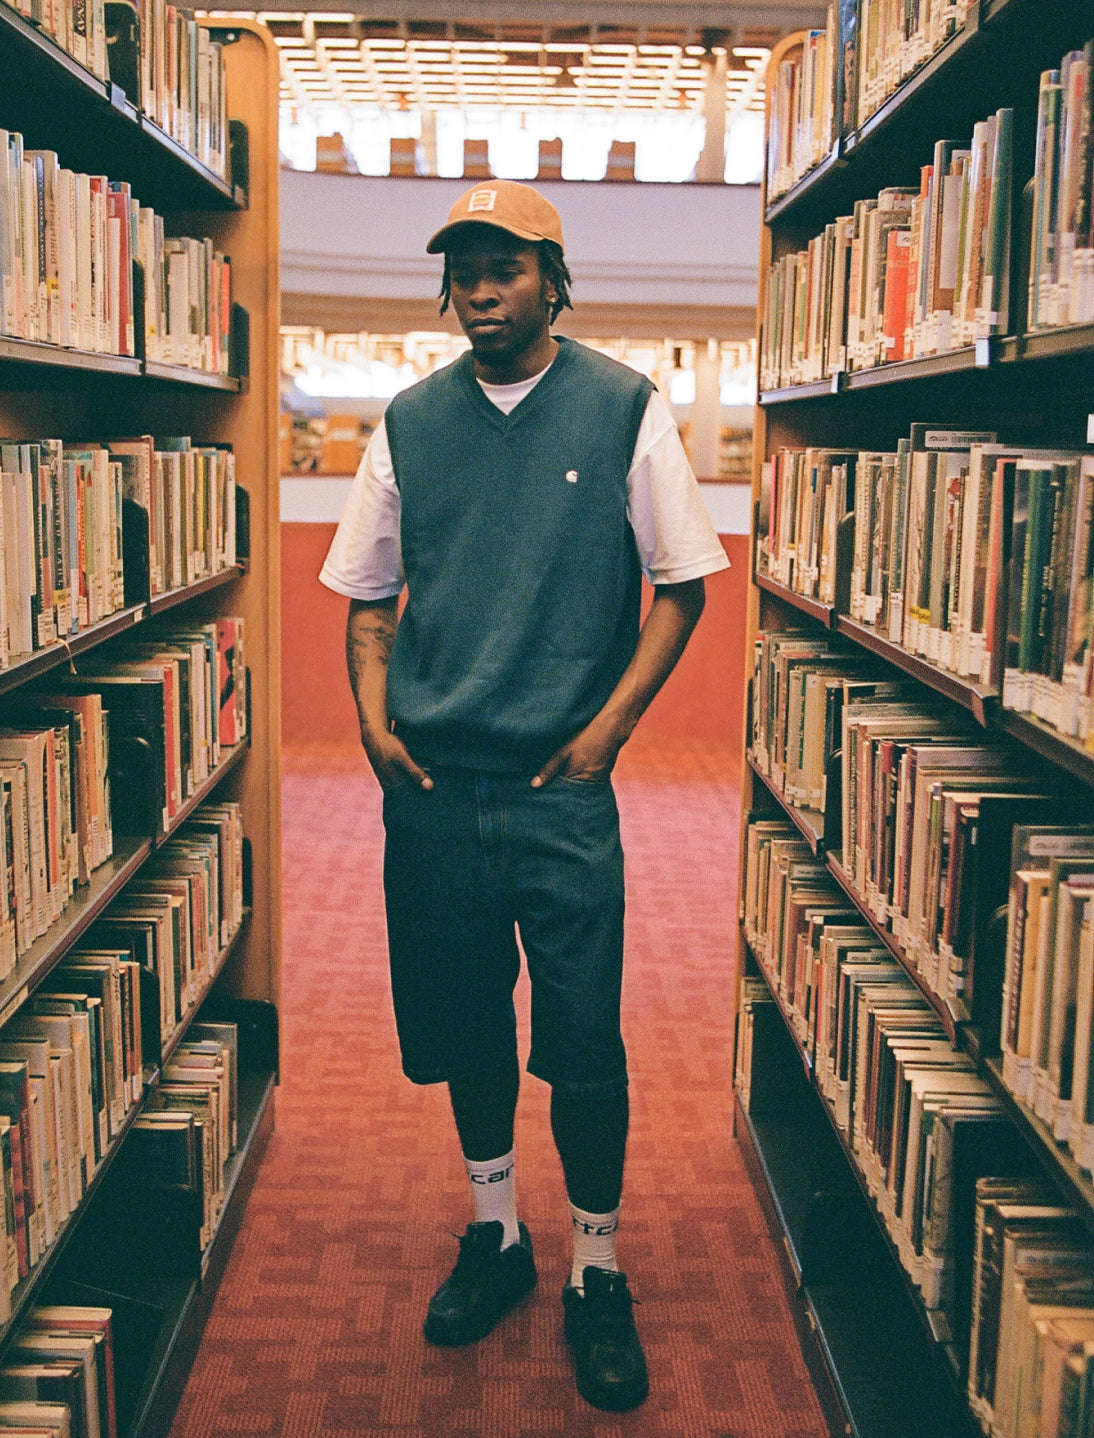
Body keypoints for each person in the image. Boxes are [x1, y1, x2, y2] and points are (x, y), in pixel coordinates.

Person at [319, 178, 729, 1412]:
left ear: (556, 278)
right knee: (465, 1023)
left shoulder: (623, 410)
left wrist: (608, 733)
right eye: (462, 270)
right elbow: (368, 595)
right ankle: (496, 1233)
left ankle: (597, 1266)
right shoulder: (407, 421)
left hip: (559, 791)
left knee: (583, 1036)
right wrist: (374, 728)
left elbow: (685, 583)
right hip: (434, 788)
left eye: (506, 267)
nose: (480, 290)